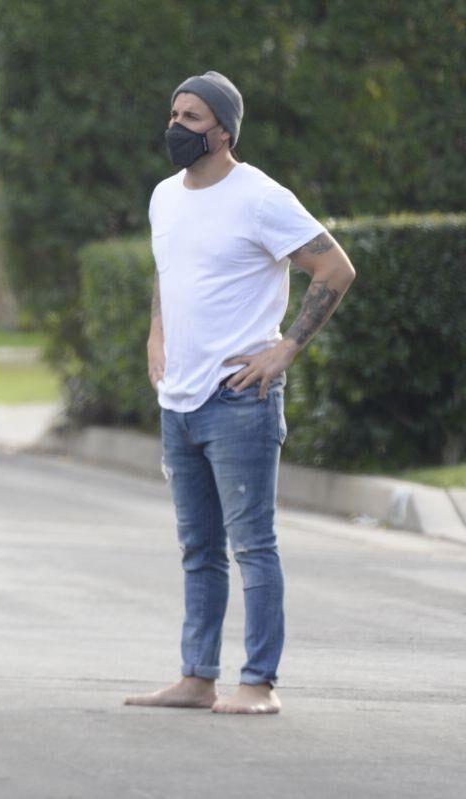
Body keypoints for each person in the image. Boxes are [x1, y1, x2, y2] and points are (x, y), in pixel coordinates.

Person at [125, 71, 355, 715]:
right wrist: (156, 335)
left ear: (223, 129)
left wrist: (284, 349)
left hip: (238, 401)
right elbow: (168, 272)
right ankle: (197, 677)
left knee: (252, 545)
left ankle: (258, 684)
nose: (176, 127)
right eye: (173, 113)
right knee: (198, 548)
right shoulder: (164, 197)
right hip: (181, 399)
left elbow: (335, 267)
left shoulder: (261, 198)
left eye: (192, 117)